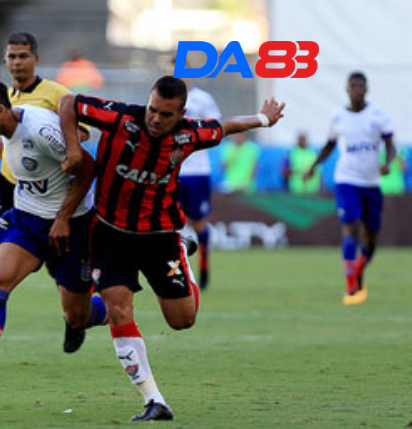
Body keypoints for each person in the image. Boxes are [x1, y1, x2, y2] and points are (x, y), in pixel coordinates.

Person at [59, 76, 285, 421]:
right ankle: (154, 400)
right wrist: (75, 149)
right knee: (120, 309)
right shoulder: (120, 118)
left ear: (180, 113)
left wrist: (264, 119)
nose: (155, 119)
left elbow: (223, 126)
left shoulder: (188, 134)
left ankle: (182, 246)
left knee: (182, 320)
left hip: (160, 237)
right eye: (152, 109)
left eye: (165, 114)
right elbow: (68, 104)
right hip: (109, 234)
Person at [0, 76, 106, 404]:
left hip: (71, 227)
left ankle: (113, 306)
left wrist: (62, 218)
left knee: (78, 315)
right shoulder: (9, 125)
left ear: (1, 110)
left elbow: (88, 170)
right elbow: (8, 142)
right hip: (28, 220)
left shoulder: (43, 131)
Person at [0, 32, 90, 363]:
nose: (16, 62)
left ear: (35, 59)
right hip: (12, 187)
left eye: (23, 56)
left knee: (57, 265)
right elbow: (6, 137)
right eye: (11, 56)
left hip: (50, 190)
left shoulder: (56, 93)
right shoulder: (4, 96)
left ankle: (73, 315)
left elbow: (81, 134)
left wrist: (61, 139)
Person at [303, 71, 396, 306]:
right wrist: (313, 166)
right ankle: (351, 285)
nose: (357, 90)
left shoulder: (378, 115)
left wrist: (387, 162)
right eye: (353, 86)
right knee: (351, 226)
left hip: (372, 183)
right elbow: (329, 146)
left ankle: (357, 271)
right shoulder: (338, 118)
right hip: (347, 180)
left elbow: (391, 145)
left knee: (371, 238)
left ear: (366, 89)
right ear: (347, 89)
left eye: (361, 86)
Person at [173, 62, 221, 289]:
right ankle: (175, 271)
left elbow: (217, 128)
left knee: (199, 223)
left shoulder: (202, 99)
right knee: (170, 225)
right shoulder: (162, 99)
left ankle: (203, 271)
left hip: (196, 172)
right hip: (171, 171)